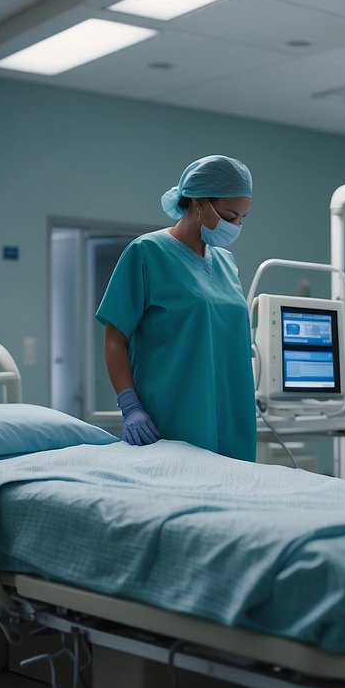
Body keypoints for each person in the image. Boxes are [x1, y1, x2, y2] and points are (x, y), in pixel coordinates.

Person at [96, 155, 258, 462]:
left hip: (232, 415)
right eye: (229, 215)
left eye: (241, 219)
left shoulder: (226, 263)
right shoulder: (147, 253)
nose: (235, 226)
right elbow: (115, 337)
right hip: (174, 416)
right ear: (198, 202)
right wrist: (130, 406)